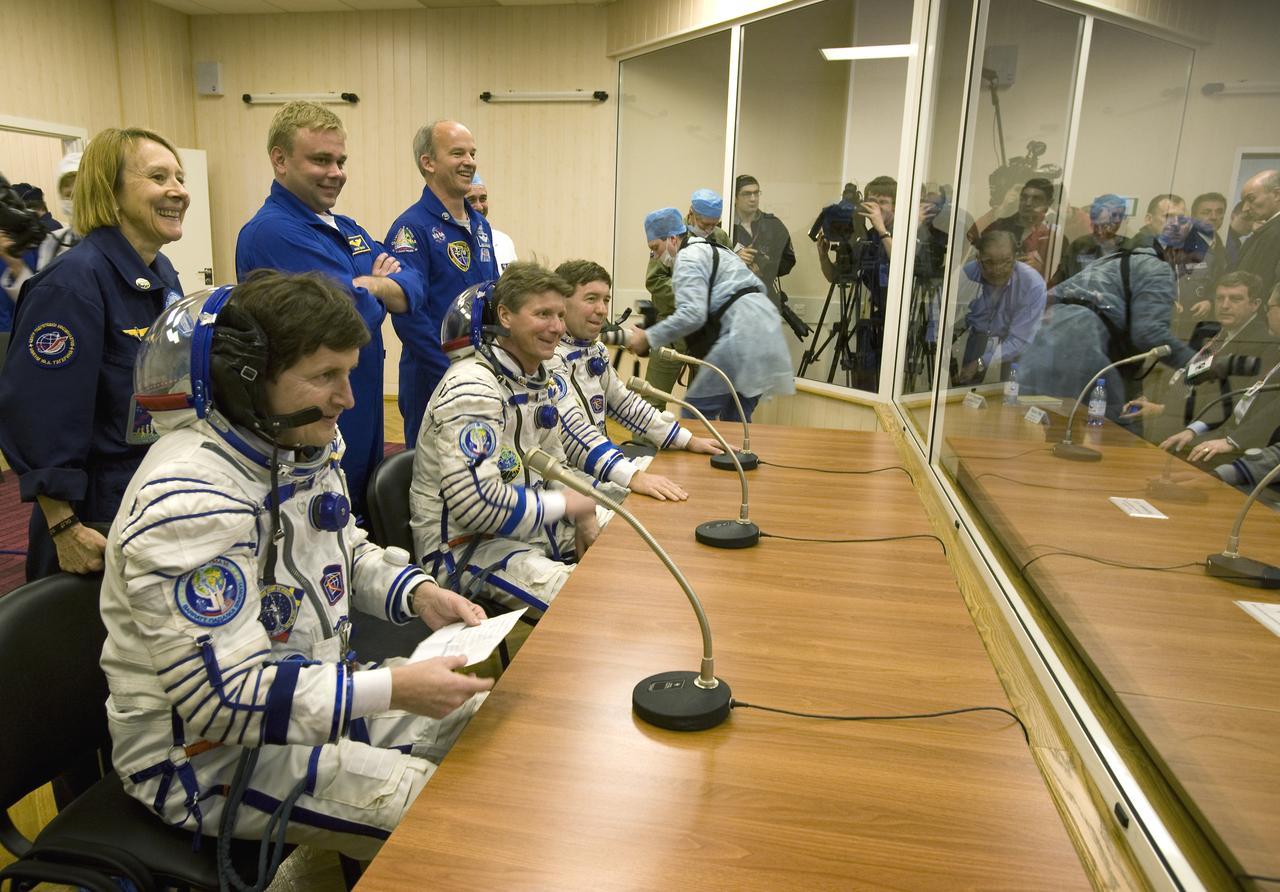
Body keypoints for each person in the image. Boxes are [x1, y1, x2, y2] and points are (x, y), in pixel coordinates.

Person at [102, 271, 493, 862]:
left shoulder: (292, 445)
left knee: (486, 722)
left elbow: (343, 550)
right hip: (204, 758)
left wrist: (417, 594)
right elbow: (223, 700)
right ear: (247, 382)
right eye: (324, 377)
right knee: (449, 816)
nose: (350, 398)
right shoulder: (189, 500)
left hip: (304, 699)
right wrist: (391, 688)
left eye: (349, 373)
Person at [0, 127, 187, 581]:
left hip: (156, 487)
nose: (178, 191)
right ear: (112, 191)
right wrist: (64, 526)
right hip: (95, 511)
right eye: (158, 176)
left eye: (180, 177)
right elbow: (39, 414)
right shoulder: (73, 284)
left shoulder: (162, 273)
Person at [411, 262, 649, 613]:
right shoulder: (471, 389)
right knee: (594, 602)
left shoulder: (534, 379)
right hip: (467, 548)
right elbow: (477, 507)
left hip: (531, 528)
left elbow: (556, 469)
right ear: (505, 315)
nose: (556, 327)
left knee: (641, 536)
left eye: (559, 314)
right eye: (542, 314)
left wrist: (583, 513)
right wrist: (570, 505)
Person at [237, 101, 423, 521]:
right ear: (279, 160)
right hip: (313, 418)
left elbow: (413, 284)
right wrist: (372, 290)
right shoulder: (272, 231)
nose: (336, 172)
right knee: (327, 525)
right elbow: (348, 318)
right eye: (321, 160)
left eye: (340, 160)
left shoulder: (346, 226)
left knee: (363, 519)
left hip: (358, 404)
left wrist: (369, 285)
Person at [1017, 216, 1212, 419]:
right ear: (1178, 249)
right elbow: (1149, 333)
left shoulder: (1120, 258)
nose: (1189, 270)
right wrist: (1199, 366)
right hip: (1079, 340)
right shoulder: (1159, 269)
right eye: (1193, 260)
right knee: (1116, 424)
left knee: (1046, 424)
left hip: (1046, 336)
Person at [385, 121, 499, 446]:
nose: (470, 161)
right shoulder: (411, 229)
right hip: (433, 376)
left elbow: (493, 295)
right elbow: (408, 317)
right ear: (428, 162)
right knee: (431, 480)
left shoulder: (480, 226)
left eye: (473, 153)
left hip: (483, 373)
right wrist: (451, 374)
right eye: (458, 153)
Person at [629, 207, 794, 422]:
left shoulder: (688, 258)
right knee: (735, 419)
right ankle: (737, 455)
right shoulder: (717, 251)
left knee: (694, 413)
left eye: (656, 248)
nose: (656, 256)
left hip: (743, 334)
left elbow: (693, 315)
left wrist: (648, 337)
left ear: (671, 239)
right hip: (768, 334)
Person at [551, 258, 722, 461]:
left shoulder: (594, 349)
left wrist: (687, 440)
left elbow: (624, 404)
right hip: (570, 480)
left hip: (600, 464)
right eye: (591, 299)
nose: (602, 310)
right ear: (561, 303)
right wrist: (631, 475)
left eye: (605, 299)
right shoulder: (548, 357)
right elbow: (573, 433)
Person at [1140, 272, 1275, 452]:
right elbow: (1190, 376)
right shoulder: (1218, 335)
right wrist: (1153, 399)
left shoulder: (1259, 343)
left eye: (1235, 299)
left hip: (1202, 427)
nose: (1225, 305)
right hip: (1174, 414)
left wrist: (1163, 408)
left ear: (1255, 304)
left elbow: (1225, 398)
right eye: (1220, 298)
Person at [642, 188, 731, 409]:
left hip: (706, 332)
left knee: (703, 404)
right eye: (704, 224)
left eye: (714, 224)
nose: (709, 229)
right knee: (653, 400)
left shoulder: (720, 238)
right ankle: (643, 444)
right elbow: (655, 281)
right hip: (673, 329)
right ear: (691, 214)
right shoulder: (669, 232)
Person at [816, 176, 896, 389]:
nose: (875, 207)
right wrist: (823, 256)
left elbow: (903, 264)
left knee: (888, 382)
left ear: (896, 206)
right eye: (871, 201)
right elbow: (836, 277)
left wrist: (881, 228)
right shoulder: (865, 237)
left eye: (883, 202)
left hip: (896, 321)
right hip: (868, 319)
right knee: (864, 378)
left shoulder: (902, 234)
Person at [953, 229, 1047, 385]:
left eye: (1006, 262)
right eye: (989, 262)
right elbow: (940, 306)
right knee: (963, 389)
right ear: (978, 259)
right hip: (976, 341)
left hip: (1016, 349)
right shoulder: (969, 272)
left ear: (1016, 258)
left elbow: (1019, 339)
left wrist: (981, 363)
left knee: (1008, 394)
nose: (997, 269)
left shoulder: (1032, 284)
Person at [2, 151, 83, 311]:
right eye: (68, 195)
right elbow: (39, 305)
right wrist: (16, 265)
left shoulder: (120, 239)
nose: (73, 200)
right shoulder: (54, 242)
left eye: (79, 192)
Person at [730, 175, 795, 308]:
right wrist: (734, 259)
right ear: (735, 197)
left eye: (756, 193)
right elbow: (713, 263)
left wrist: (765, 267)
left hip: (764, 297)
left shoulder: (773, 225)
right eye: (747, 194)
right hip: (733, 298)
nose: (753, 199)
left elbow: (789, 260)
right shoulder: (725, 226)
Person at [982, 177, 1057, 280]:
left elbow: (1059, 281)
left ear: (1049, 203)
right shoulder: (999, 227)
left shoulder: (1053, 237)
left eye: (1036, 199)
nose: (1028, 203)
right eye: (1024, 197)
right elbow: (973, 259)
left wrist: (1042, 269)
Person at [1049, 193, 1128, 287]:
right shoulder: (1079, 245)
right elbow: (1058, 280)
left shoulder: (1129, 248)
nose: (1115, 220)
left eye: (1118, 215)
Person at [1232, 169, 1280, 296]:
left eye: (1251, 199)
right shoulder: (1268, 230)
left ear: (1277, 194)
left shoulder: (1275, 231)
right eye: (1244, 202)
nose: (1245, 208)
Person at [465, 173, 517, 273]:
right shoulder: (453, 242)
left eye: (483, 199)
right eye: (471, 200)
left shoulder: (504, 241)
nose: (480, 206)